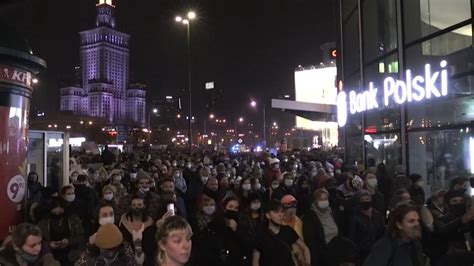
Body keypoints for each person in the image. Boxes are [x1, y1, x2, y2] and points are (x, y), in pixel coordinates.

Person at [253, 200, 311, 266]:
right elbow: (255, 261)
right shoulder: (261, 235)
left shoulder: (288, 230)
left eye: (282, 212)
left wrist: (308, 263)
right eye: (276, 212)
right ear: (268, 215)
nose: (280, 215)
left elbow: (305, 248)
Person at [302, 188, 345, 266]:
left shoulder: (332, 212)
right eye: (321, 199)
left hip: (337, 253)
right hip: (322, 256)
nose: (324, 201)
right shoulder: (309, 217)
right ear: (315, 201)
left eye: (325, 199)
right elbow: (311, 241)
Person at [37, 198, 85, 265]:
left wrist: (68, 241)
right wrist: (49, 244)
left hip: (71, 253)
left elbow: (81, 237)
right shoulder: (43, 222)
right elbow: (38, 240)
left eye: (61, 208)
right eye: (55, 208)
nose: (58, 211)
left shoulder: (73, 219)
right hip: (51, 254)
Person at [118, 194, 157, 265]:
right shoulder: (122, 223)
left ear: (144, 206)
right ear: (130, 206)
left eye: (139, 205)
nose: (136, 207)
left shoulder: (150, 225)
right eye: (134, 205)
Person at [348, 190, 385, 263]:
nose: (365, 201)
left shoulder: (378, 215)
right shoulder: (355, 217)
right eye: (362, 199)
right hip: (362, 253)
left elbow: (382, 232)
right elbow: (352, 236)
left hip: (377, 250)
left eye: (367, 199)